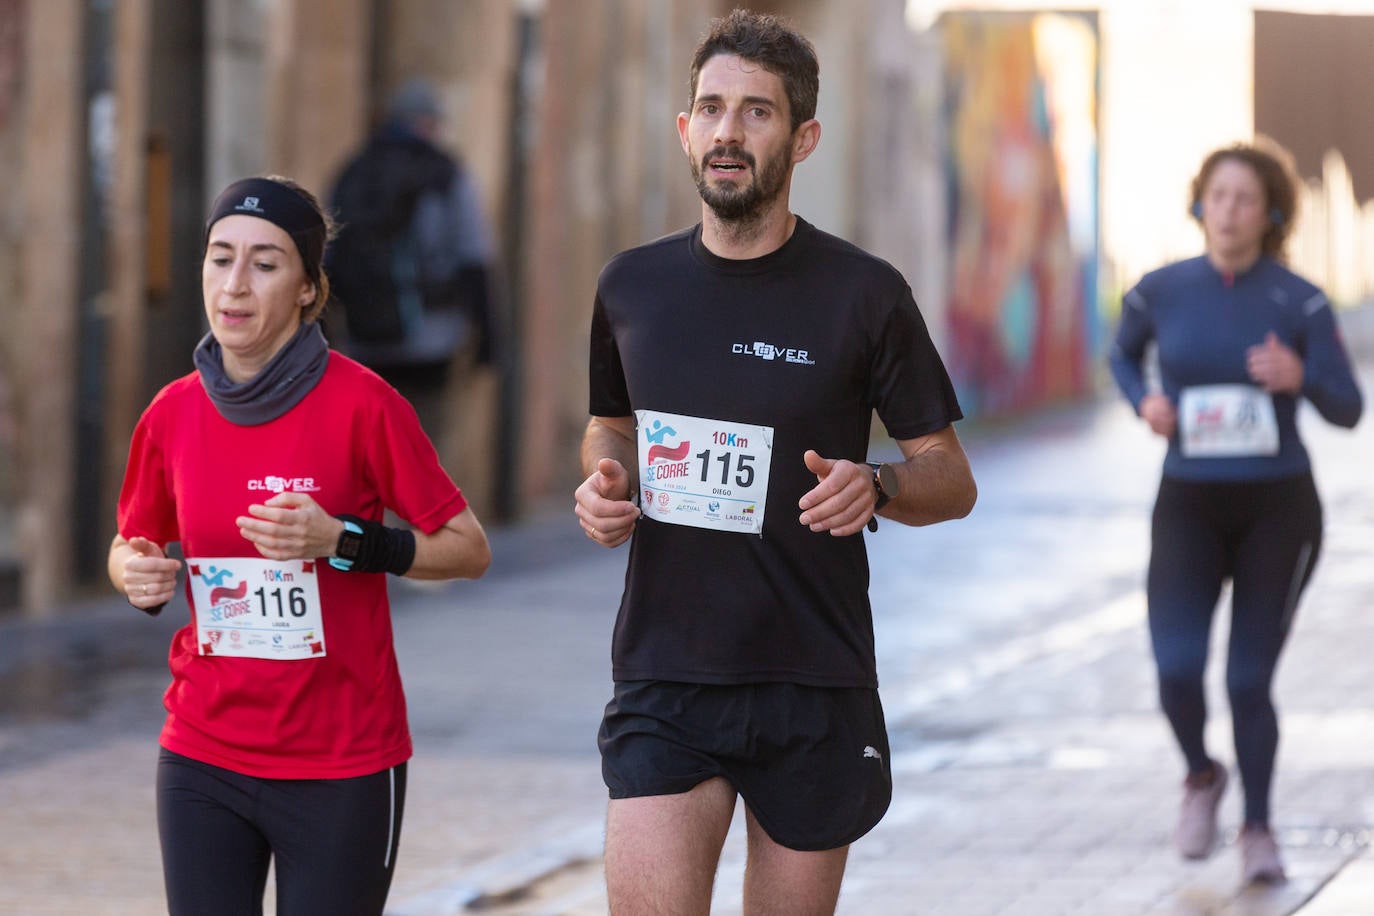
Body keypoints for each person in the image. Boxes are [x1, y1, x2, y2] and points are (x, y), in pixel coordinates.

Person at [573, 10, 977, 914]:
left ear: (803, 139)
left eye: (756, 113)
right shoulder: (631, 287)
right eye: (711, 109)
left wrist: (877, 485)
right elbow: (609, 425)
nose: (727, 131)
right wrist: (606, 480)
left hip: (813, 675)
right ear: (685, 130)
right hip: (666, 672)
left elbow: (951, 475)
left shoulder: (864, 293)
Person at [107, 175, 491, 915]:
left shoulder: (364, 405)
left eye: (266, 262)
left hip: (340, 762)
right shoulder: (171, 414)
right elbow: (130, 543)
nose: (236, 284)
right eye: (221, 259)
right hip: (202, 752)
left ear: (309, 289)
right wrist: (137, 573)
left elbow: (467, 547)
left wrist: (344, 539)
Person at [1109, 140, 1363, 885]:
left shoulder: (1300, 299)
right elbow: (1122, 357)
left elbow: (1349, 406)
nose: (1229, 210)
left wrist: (1300, 374)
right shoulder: (1160, 292)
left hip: (1278, 510)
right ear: (1198, 204)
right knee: (1176, 668)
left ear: (1270, 213)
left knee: (1248, 681)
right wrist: (1144, 402)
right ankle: (1199, 775)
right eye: (1217, 195)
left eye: (1245, 198)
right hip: (1188, 503)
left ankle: (1257, 826)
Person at [324, 78, 497, 428]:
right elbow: (473, 254)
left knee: (369, 436)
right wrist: (488, 336)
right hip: (432, 337)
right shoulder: (444, 173)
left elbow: (328, 252)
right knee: (423, 436)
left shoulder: (354, 170)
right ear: (429, 122)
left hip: (363, 338)